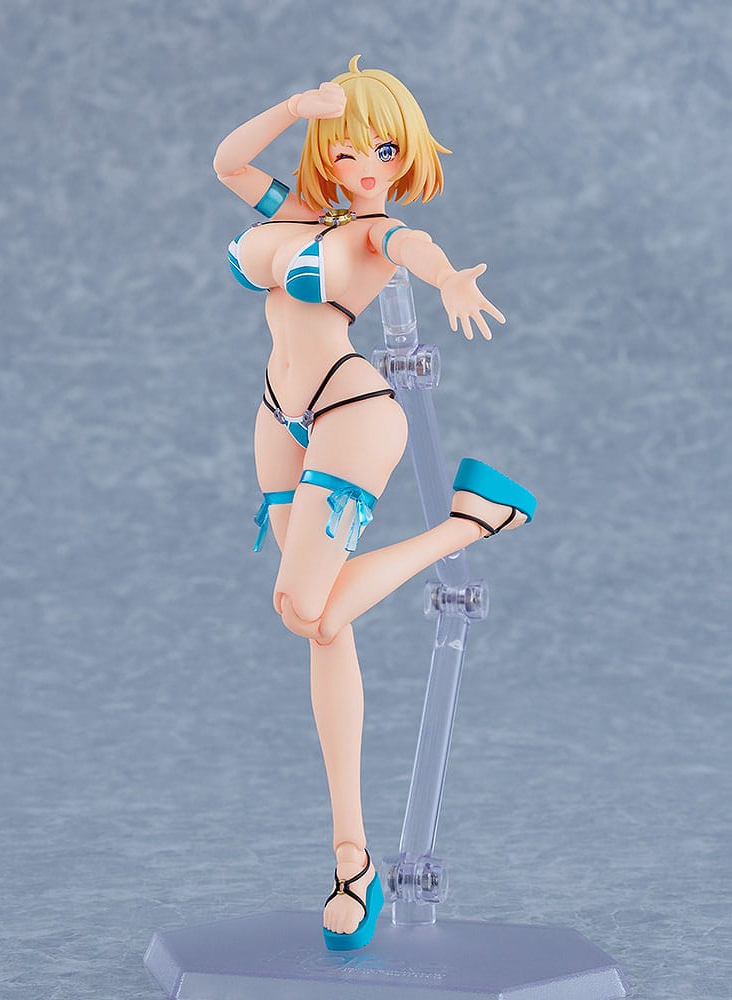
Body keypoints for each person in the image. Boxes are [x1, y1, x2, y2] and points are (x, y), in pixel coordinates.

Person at [213, 55, 535, 951]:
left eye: (384, 150)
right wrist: (292, 104)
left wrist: (450, 279)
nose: (364, 165)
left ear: (406, 155)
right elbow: (228, 163)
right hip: (278, 415)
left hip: (351, 411)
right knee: (324, 628)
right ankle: (351, 862)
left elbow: (411, 250)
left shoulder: (373, 234)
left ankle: (470, 522)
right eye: (348, 148)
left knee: (301, 604)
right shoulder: (299, 213)